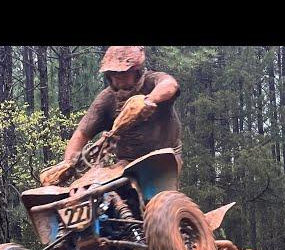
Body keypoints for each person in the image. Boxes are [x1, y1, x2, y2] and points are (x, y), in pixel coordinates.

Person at [40, 46, 183, 186]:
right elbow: (81, 134)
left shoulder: (152, 81)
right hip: (127, 163)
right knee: (99, 189)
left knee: (159, 200)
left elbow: (170, 85)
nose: (119, 80)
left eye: (124, 75)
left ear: (136, 72)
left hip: (165, 159)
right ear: (109, 76)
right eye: (115, 76)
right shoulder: (106, 100)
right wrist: (68, 162)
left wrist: (149, 100)